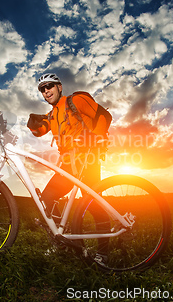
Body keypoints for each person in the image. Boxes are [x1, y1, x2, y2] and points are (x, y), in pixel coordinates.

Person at [27, 73, 112, 223]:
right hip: (68, 165)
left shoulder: (76, 101)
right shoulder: (52, 114)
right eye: (42, 89)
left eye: (49, 86)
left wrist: (95, 136)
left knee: (93, 206)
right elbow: (39, 131)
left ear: (59, 87)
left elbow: (104, 115)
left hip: (87, 160)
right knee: (46, 199)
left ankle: (105, 246)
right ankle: (67, 240)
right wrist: (32, 125)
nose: (46, 91)